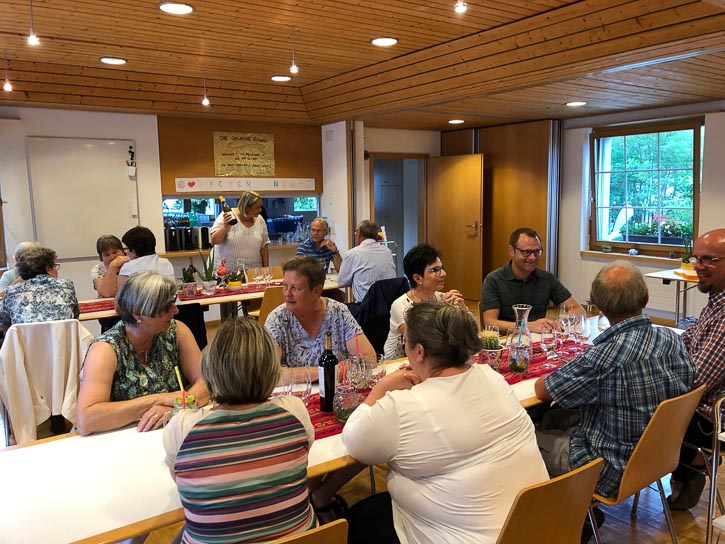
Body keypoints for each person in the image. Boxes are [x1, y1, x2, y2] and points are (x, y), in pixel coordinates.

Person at [342, 300, 549, 544]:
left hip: (465, 536)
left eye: (405, 342)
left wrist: (381, 388)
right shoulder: (491, 376)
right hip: (544, 526)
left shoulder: (404, 406)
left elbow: (354, 440)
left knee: (357, 518)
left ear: (419, 351)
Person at [534, 261, 695, 499]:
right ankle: (575, 507)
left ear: (595, 302)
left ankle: (568, 514)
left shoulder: (603, 357)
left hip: (607, 470)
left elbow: (542, 390)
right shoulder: (671, 338)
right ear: (646, 297)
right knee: (552, 417)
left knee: (518, 441)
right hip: (657, 458)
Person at [163, 318, 316, 544]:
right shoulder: (294, 410)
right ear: (271, 369)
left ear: (210, 369)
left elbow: (183, 484)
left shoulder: (183, 427)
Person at [76, 271, 208, 435]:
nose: (175, 310)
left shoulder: (176, 331)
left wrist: (173, 407)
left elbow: (206, 383)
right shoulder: (105, 349)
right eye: (166, 307)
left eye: (173, 303)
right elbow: (86, 420)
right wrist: (157, 400)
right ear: (138, 314)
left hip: (161, 433)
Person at [668, 228, 725, 510]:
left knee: (624, 406)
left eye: (709, 260)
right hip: (700, 404)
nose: (699, 266)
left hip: (709, 417)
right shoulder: (716, 301)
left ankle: (693, 462)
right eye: (696, 259)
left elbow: (696, 379)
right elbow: (686, 340)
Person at [265, 255, 376, 379]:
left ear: (316, 291)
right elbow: (269, 373)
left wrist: (296, 374)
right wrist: (326, 372)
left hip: (335, 389)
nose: (287, 293)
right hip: (297, 391)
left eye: (295, 288)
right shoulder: (277, 319)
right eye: (285, 286)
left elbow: (369, 359)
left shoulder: (338, 312)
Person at [481, 227, 582, 333]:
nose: (533, 257)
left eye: (537, 251)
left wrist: (562, 321)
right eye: (526, 252)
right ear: (511, 251)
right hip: (507, 339)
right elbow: (490, 322)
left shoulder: (546, 279)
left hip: (538, 338)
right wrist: (526, 326)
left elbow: (578, 309)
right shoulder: (494, 280)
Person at [120, 226, 207, 349]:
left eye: (126, 250)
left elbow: (120, 305)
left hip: (149, 321)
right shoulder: (166, 263)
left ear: (133, 251)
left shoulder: (128, 267)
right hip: (181, 316)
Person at [383, 243, 466, 361]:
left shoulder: (441, 298)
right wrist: (444, 312)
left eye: (442, 268)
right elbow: (423, 342)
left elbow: (467, 334)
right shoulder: (401, 306)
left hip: (433, 360)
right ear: (417, 278)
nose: (443, 274)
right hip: (400, 362)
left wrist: (462, 311)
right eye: (435, 270)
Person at [0, 246, 79, 330]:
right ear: (48, 269)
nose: (56, 270)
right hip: (62, 337)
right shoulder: (66, 286)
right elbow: (75, 316)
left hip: (27, 338)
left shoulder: (13, 291)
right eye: (55, 266)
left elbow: (2, 322)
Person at [336, 220, 396, 303]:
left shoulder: (353, 253)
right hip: (386, 304)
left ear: (359, 233)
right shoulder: (387, 251)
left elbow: (341, 282)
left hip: (365, 306)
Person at [209, 190, 270, 270]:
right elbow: (214, 241)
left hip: (252, 272)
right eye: (257, 207)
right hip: (226, 272)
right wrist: (225, 228)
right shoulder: (228, 216)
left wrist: (266, 270)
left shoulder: (260, 220)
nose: (260, 210)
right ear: (246, 207)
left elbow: (264, 248)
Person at [91, 234, 129, 332]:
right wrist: (113, 266)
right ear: (101, 257)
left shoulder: (131, 264)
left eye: (115, 252)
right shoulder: (98, 269)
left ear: (123, 252)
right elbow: (108, 293)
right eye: (107, 255)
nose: (112, 257)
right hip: (109, 316)